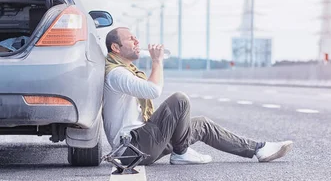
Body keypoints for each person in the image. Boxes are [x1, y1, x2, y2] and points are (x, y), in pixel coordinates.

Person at [102, 27, 293, 165]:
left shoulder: (127, 70)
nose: (137, 42)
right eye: (130, 39)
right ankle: (181, 152)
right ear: (116, 48)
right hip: (131, 147)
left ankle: (258, 149)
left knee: (202, 124)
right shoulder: (116, 73)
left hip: (142, 145)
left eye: (136, 38)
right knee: (179, 100)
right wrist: (157, 61)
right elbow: (153, 90)